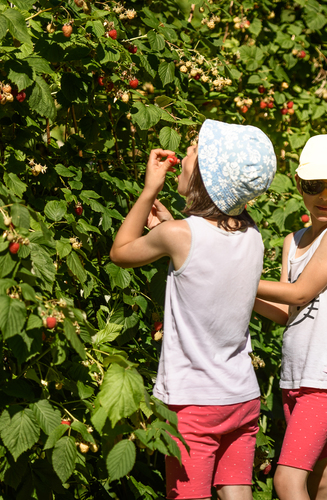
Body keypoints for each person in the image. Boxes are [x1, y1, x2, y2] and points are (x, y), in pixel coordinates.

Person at [110, 119, 277, 500]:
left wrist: (149, 189)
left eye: (192, 151)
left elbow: (120, 252)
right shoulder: (253, 237)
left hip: (194, 404)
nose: (183, 156)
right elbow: (209, 262)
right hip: (241, 396)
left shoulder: (179, 235)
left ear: (206, 175)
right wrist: (171, 224)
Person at [253, 134, 327, 500]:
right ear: (300, 183)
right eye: (316, 185)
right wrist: (239, 291)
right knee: (322, 477)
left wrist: (235, 274)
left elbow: (301, 292)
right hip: (296, 376)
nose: (326, 197)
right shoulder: (294, 240)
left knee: (287, 481)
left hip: (326, 378)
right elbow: (287, 311)